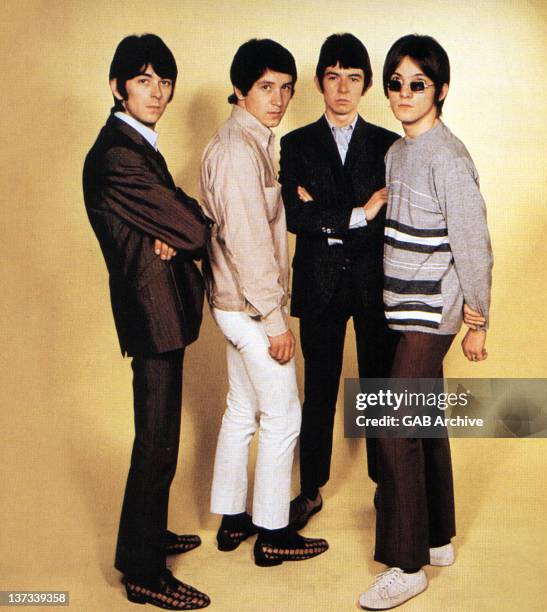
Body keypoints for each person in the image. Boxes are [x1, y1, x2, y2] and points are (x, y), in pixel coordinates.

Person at [357, 34, 493, 610]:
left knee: (391, 424)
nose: (404, 93)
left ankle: (405, 563)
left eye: (417, 84)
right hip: (399, 305)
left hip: (433, 312)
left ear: (440, 89)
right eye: (395, 83)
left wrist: (478, 320)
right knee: (425, 424)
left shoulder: (450, 157)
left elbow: (474, 246)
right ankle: (436, 538)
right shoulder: (397, 152)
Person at [83, 34, 211, 610]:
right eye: (143, 80)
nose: (157, 92)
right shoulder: (118, 154)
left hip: (162, 309)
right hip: (150, 312)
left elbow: (186, 215)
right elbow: (197, 229)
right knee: (157, 444)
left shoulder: (138, 143)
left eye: (164, 82)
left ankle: (145, 537)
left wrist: (179, 229)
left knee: (158, 439)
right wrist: (180, 233)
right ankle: (143, 572)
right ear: (117, 87)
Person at [199, 38, 328, 567]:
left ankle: (232, 519)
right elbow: (249, 242)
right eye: (265, 87)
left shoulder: (248, 141)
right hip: (249, 307)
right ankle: (273, 531)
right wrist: (275, 321)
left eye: (286, 89)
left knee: (240, 409)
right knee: (284, 416)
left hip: (234, 302)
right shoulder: (236, 150)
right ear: (239, 90)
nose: (277, 99)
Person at [279, 33, 399, 530]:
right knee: (320, 389)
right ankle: (310, 490)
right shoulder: (295, 143)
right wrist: (361, 211)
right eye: (333, 77)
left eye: (353, 78)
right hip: (320, 283)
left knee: (377, 389)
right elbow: (294, 216)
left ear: (367, 85)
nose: (343, 88)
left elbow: (391, 218)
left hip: (375, 284)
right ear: (319, 83)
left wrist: (322, 211)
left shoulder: (389, 145)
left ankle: (386, 486)